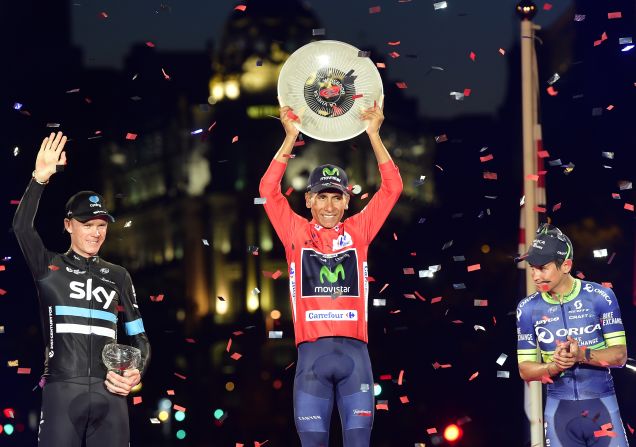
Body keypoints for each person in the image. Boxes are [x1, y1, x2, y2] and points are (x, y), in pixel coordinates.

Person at [259, 99, 402, 446]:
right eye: (321, 197)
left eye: (336, 197)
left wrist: (374, 133)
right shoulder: (295, 233)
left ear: (346, 201)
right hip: (311, 363)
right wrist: (290, 136)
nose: (329, 205)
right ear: (308, 200)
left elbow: (393, 188)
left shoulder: (359, 231)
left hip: (357, 360)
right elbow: (267, 191)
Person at [12, 132, 151, 447]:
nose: (96, 232)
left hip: (111, 396)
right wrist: (39, 179)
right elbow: (21, 228)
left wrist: (136, 371)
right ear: (68, 224)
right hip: (62, 392)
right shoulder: (48, 267)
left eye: (101, 225)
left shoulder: (119, 276)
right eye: (87, 224)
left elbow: (139, 337)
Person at [516, 223, 629, 447]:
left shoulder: (600, 296)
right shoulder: (527, 308)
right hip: (559, 412)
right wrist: (554, 367)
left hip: (603, 406)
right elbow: (525, 369)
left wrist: (581, 354)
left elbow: (620, 356)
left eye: (543, 268)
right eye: (532, 268)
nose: (536, 276)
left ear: (566, 265)